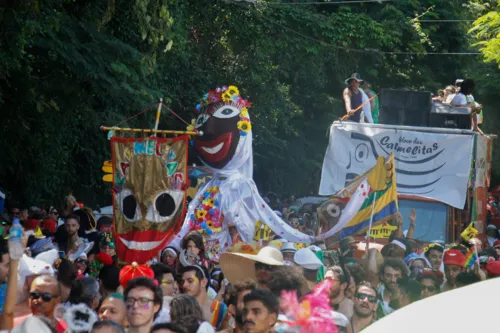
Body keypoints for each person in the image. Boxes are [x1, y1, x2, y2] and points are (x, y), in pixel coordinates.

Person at [180, 265, 227, 329]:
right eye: (183, 282)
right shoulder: (180, 307)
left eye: (190, 281)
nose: (184, 285)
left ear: (203, 282)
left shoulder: (221, 309)